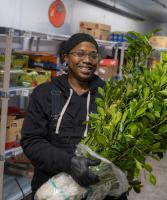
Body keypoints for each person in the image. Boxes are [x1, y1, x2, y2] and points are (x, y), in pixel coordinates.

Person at [21, 33, 127, 200]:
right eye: (80, 54)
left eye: (93, 55)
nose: (87, 60)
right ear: (66, 58)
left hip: (100, 190)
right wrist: (69, 162)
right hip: (54, 190)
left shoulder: (111, 96)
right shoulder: (45, 93)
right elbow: (31, 141)